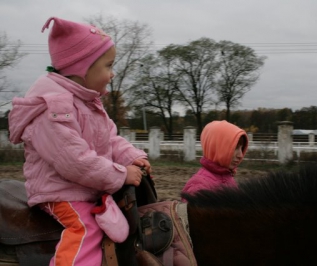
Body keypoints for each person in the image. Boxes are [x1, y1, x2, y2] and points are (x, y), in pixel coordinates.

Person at [8, 17, 151, 266]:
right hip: (60, 191)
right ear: (82, 69)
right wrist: (120, 175)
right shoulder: (53, 108)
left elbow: (110, 139)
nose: (112, 73)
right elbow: (74, 161)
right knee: (86, 229)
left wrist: (130, 157)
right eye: (108, 65)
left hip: (85, 186)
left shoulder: (88, 102)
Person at [181, 120, 248, 201]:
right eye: (235, 148)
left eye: (242, 148)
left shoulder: (229, 179)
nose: (240, 155)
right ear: (216, 147)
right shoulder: (198, 187)